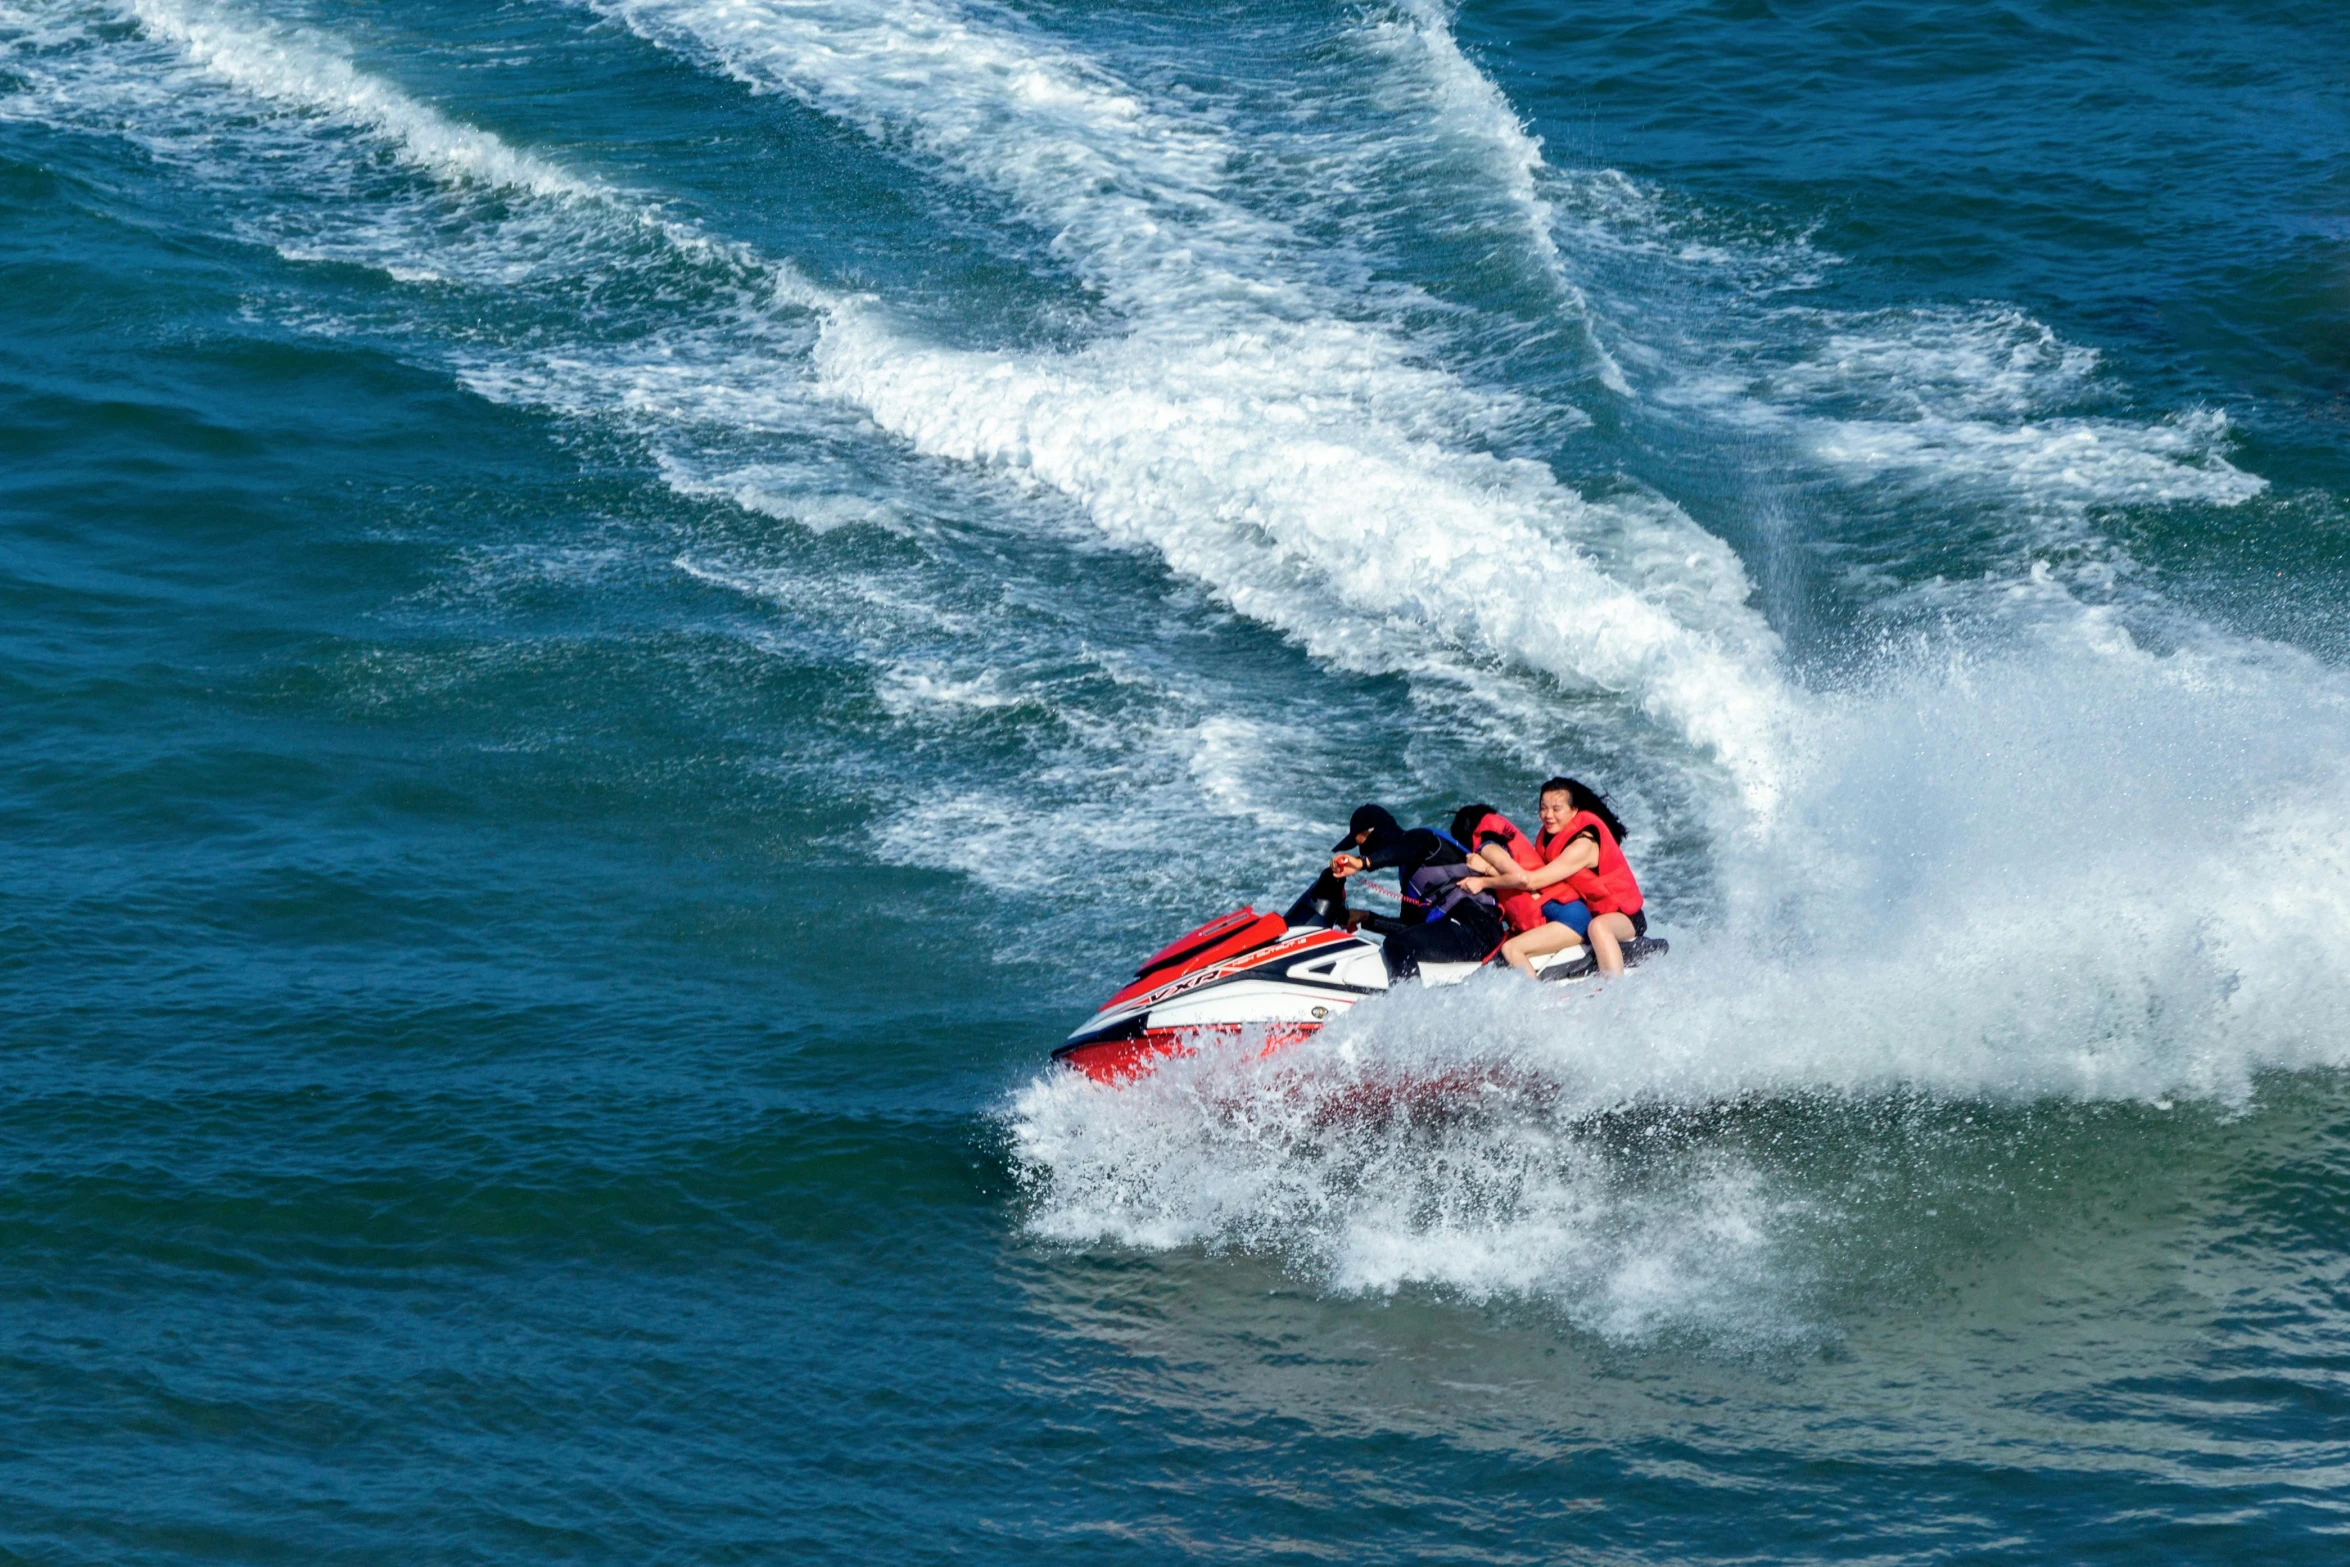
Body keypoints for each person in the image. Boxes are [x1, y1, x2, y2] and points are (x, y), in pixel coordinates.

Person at [1462, 777, 1647, 977]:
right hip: (1592, 912)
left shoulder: (1583, 846)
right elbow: (1531, 879)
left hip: (1625, 917)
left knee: (1598, 927)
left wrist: (1484, 877)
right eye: (1543, 808)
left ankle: (1613, 990)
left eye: (1556, 809)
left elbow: (1531, 880)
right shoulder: (1549, 838)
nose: (1548, 815)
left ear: (1574, 810)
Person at [1329, 805, 1505, 978]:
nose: (1363, 852)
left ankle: (1408, 1003)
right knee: (1398, 941)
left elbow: (1406, 849)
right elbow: (1409, 926)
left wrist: (1363, 862)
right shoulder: (1408, 875)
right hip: (1459, 930)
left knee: (1397, 944)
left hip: (1478, 925)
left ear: (1376, 831)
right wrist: (1366, 918)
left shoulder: (1422, 839)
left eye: (1363, 845)